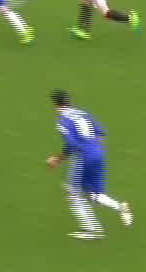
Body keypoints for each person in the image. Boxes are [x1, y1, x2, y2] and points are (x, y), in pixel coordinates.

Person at [46, 90, 133, 239]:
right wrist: (92, 149)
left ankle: (92, 230)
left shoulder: (63, 121)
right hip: (97, 154)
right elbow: (100, 133)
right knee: (93, 194)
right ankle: (120, 207)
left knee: (71, 192)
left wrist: (57, 159)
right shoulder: (82, 113)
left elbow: (71, 145)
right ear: (69, 102)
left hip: (84, 157)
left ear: (55, 105)